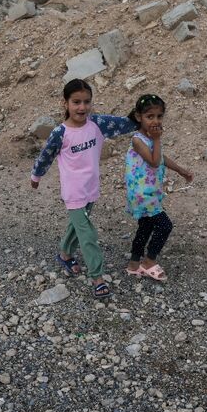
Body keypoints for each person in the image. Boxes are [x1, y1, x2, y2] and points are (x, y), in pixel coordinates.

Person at [30, 78, 137, 299]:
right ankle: (97, 278)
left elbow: (124, 124)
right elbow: (46, 156)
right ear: (65, 103)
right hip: (73, 191)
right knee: (87, 233)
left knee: (78, 224)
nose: (82, 107)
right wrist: (36, 176)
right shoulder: (61, 133)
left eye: (86, 102)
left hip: (91, 188)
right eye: (76, 102)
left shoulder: (97, 124)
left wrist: (142, 114)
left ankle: (65, 254)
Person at [124, 94, 193, 281]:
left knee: (145, 227)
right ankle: (149, 261)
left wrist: (180, 170)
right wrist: (156, 138)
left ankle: (133, 264)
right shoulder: (138, 140)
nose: (155, 121)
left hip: (148, 191)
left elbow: (160, 157)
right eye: (150, 116)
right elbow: (154, 162)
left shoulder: (148, 139)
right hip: (143, 194)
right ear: (139, 117)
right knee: (165, 225)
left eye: (159, 116)